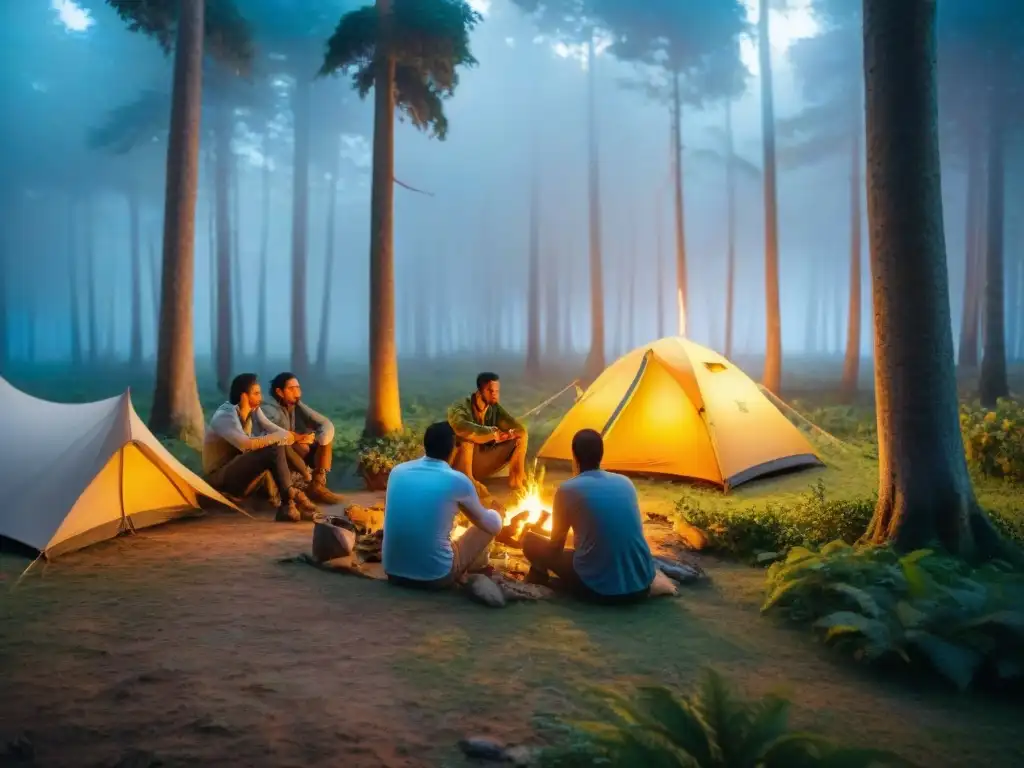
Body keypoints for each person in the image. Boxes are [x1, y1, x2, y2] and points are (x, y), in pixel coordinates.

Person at [522, 429, 655, 604]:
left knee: (531, 541)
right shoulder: (625, 482)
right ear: (601, 454)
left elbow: (555, 547)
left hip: (599, 590)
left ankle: (543, 578)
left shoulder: (568, 489)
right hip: (642, 586)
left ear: (574, 456)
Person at [382, 421, 504, 590]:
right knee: (489, 522)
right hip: (435, 577)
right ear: (453, 448)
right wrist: (497, 513)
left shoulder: (398, 471)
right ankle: (468, 566)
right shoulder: (457, 480)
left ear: (425, 444)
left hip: (393, 572)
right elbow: (493, 526)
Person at [202, 373, 318, 523]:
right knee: (273, 446)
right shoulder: (225, 415)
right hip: (221, 477)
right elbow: (245, 444)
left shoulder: (253, 410)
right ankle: (291, 498)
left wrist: (297, 437)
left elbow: (274, 429)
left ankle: (289, 502)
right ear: (244, 396)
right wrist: (280, 438)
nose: (260, 398)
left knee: (275, 445)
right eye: (256, 393)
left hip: (241, 469)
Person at [261, 372, 343, 505]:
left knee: (325, 437)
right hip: (275, 451)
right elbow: (279, 436)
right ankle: (309, 481)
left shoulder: (292, 405)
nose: (297, 392)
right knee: (292, 445)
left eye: (298, 388)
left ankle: (318, 485)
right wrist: (300, 439)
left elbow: (325, 424)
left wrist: (316, 438)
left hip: (291, 446)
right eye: (291, 388)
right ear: (279, 392)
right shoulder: (268, 409)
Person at [446, 372, 528, 495]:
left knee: (521, 436)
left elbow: (518, 429)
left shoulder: (494, 408)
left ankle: (516, 479)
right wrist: (492, 432)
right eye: (490, 391)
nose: (495, 394)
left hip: (484, 459)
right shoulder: (461, 406)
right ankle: (468, 482)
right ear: (480, 391)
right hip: (461, 463)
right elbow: (460, 426)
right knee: (466, 438)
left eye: (497, 391)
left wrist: (510, 433)